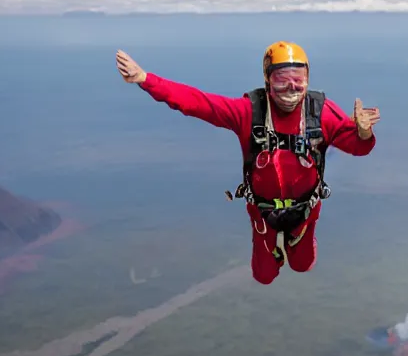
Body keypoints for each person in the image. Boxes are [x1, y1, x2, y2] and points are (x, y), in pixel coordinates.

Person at [115, 41, 380, 285]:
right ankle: (277, 251)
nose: (291, 88)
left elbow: (359, 147)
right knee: (263, 276)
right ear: (267, 81)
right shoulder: (249, 112)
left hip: (305, 210)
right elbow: (196, 102)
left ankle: (296, 245)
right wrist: (145, 80)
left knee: (302, 265)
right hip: (262, 212)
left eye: (298, 81)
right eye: (281, 80)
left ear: (308, 80)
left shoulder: (321, 112)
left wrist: (364, 132)